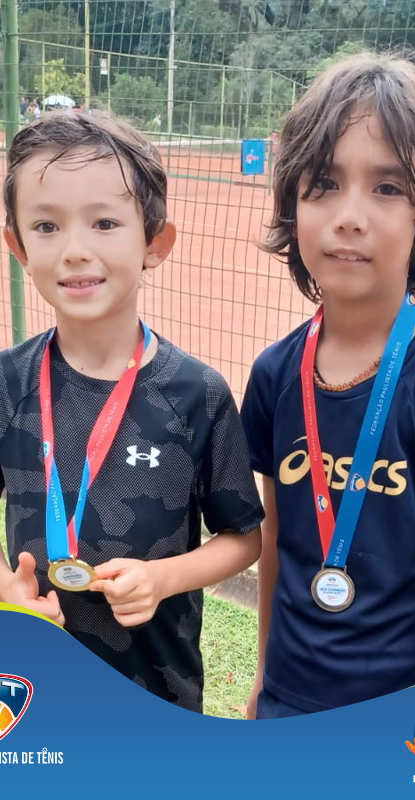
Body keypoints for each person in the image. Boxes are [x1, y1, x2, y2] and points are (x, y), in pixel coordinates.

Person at [240, 52, 415, 719]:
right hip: (286, 708)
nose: (350, 215)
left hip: (395, 725)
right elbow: (277, 546)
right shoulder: (274, 375)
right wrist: (263, 677)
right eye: (324, 183)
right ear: (292, 204)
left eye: (386, 187)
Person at [0, 111, 263, 713]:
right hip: (31, 694)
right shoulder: (8, 382)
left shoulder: (196, 394)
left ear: (155, 242)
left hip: (157, 701)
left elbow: (244, 538)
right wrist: (7, 591)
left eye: (104, 223)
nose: (75, 251)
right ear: (18, 247)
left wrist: (163, 579)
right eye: (46, 226)